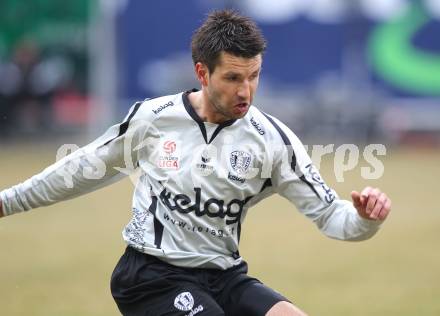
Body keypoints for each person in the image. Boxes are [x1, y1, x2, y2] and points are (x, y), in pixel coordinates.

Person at [0, 10, 391, 316]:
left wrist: (366, 219)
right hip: (150, 277)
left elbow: (333, 218)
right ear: (202, 72)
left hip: (224, 276)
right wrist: (7, 201)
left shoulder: (273, 140)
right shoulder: (154, 119)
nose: (246, 91)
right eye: (233, 77)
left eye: (253, 76)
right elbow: (78, 170)